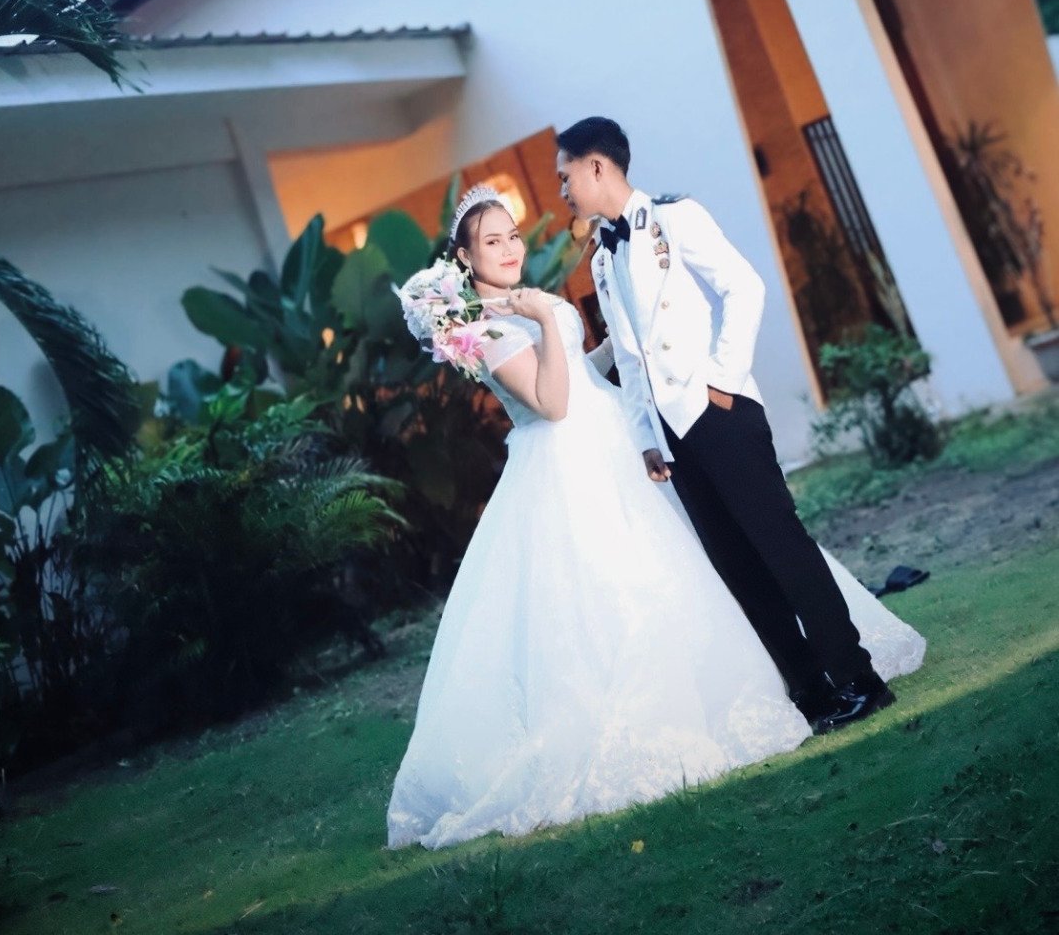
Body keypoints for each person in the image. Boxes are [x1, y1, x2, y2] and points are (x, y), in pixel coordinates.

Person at [385, 184, 923, 851]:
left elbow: (578, 376)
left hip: (616, 435)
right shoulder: (485, 328)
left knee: (714, 556)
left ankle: (812, 669)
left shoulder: (519, 306)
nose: (510, 249)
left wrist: (621, 345)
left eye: (513, 236)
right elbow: (553, 404)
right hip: (570, 467)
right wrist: (549, 316)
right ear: (465, 258)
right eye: (492, 242)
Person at [556, 115, 916, 734]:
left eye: (566, 176)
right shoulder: (602, 262)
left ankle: (859, 680)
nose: (562, 190)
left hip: (721, 415)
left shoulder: (676, 218)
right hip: (671, 436)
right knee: (738, 568)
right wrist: (646, 437)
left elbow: (744, 288)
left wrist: (722, 380)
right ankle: (812, 692)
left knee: (783, 549)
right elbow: (632, 358)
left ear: (597, 166)